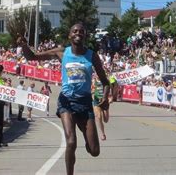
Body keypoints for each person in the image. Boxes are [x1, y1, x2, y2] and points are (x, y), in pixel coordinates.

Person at [18, 23, 110, 175]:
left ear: (85, 35)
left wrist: (106, 98)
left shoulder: (92, 56)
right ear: (69, 35)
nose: (78, 33)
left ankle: (87, 136)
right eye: (74, 31)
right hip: (66, 101)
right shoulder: (62, 52)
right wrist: (24, 46)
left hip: (85, 103)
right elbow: (32, 57)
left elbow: (105, 82)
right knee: (71, 142)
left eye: (81, 31)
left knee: (94, 151)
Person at [92, 76, 109, 141]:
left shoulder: (106, 80)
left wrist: (111, 98)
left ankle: (106, 110)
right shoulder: (94, 81)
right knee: (98, 117)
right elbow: (92, 90)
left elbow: (110, 89)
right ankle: (102, 134)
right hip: (97, 101)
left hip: (104, 101)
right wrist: (93, 97)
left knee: (106, 120)